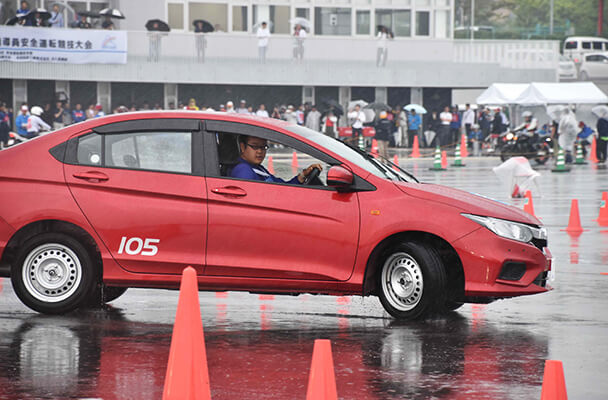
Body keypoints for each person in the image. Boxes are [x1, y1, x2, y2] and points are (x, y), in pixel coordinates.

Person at [231, 135, 322, 184]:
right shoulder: (243, 170)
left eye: (263, 147)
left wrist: (303, 175)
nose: (260, 151)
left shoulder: (258, 168)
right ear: (242, 147)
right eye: (255, 146)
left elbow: (282, 187)